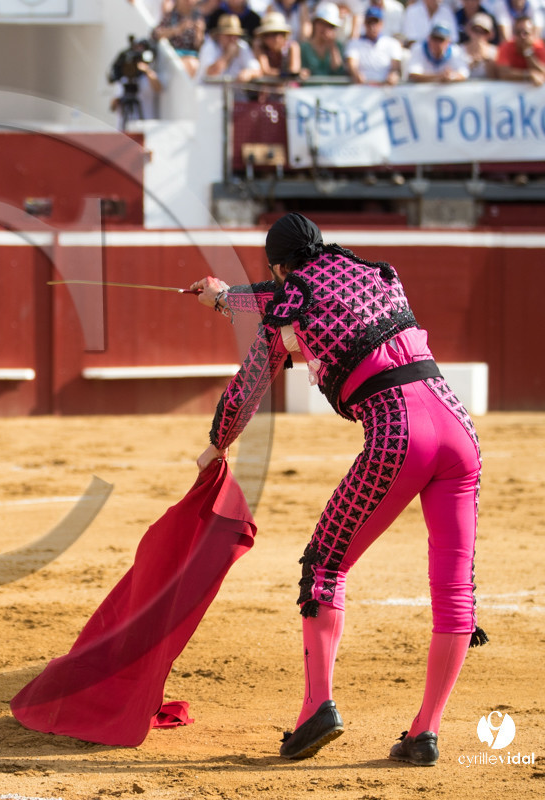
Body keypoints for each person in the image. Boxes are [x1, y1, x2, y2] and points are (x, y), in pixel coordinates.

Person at [190, 212, 485, 767]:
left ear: (279, 267)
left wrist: (216, 443)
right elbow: (305, 300)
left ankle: (317, 709)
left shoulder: (290, 297)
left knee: (325, 565)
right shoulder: (375, 274)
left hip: (399, 435)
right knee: (455, 592)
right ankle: (425, 733)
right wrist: (229, 299)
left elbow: (251, 380)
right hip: (459, 431)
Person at [347, 5, 405, 82]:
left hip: (386, 87)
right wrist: (356, 73)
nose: (372, 26)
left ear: (381, 23)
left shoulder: (392, 43)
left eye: (375, 22)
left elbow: (395, 68)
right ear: (365, 23)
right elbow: (352, 64)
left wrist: (393, 75)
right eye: (369, 22)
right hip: (362, 87)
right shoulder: (354, 43)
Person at [198, 14, 263, 82]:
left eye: (236, 35)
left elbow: (258, 70)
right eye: (229, 35)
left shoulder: (242, 46)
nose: (233, 38)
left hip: (233, 88)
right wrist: (227, 55)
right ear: (219, 35)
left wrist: (249, 73)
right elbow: (211, 73)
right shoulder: (210, 47)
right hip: (208, 88)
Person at [494, 14, 545, 84]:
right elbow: (503, 73)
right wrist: (528, 75)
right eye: (518, 32)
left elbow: (543, 73)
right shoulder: (505, 47)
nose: (522, 36)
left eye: (525, 33)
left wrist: (528, 52)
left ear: (533, 34)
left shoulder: (539, 47)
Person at [300, 3, 348, 78]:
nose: (326, 29)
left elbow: (338, 70)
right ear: (315, 23)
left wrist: (332, 46)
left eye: (330, 26)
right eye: (322, 23)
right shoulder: (303, 48)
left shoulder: (339, 46)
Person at [254, 11, 302, 81]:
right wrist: (285, 74)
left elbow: (294, 71)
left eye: (279, 33)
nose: (276, 38)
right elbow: (265, 71)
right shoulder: (259, 46)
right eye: (268, 34)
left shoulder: (293, 46)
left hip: (289, 87)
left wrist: (282, 74)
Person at [461, 12, 500, 76]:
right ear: (469, 30)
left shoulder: (495, 52)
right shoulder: (459, 50)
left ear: (490, 34)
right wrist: (472, 64)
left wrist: (486, 60)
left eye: (484, 32)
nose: (478, 34)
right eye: (475, 30)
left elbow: (495, 77)